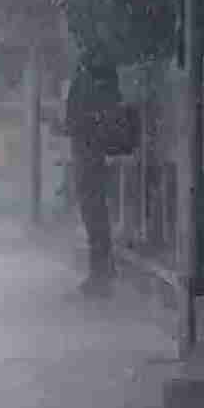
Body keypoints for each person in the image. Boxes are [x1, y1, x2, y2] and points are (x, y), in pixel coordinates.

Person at [64, 44, 123, 297]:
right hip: (88, 149)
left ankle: (101, 270)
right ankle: (101, 269)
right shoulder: (92, 78)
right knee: (93, 212)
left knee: (94, 212)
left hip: (89, 151)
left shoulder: (93, 79)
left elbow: (82, 117)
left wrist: (75, 126)